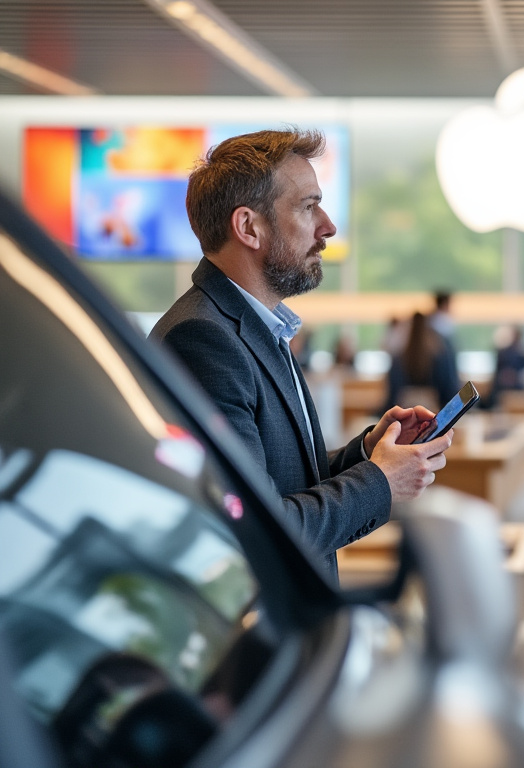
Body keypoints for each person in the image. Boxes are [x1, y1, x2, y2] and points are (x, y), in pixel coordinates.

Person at [150, 129, 451, 578]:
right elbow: (258, 529)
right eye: (308, 206)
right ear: (249, 227)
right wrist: (383, 482)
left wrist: (369, 452)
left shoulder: (253, 325)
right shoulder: (202, 340)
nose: (328, 226)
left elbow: (282, 480)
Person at [385, 311, 461, 412]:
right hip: (434, 412)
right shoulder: (439, 353)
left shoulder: (399, 356)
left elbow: (392, 394)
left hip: (403, 414)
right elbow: (448, 390)